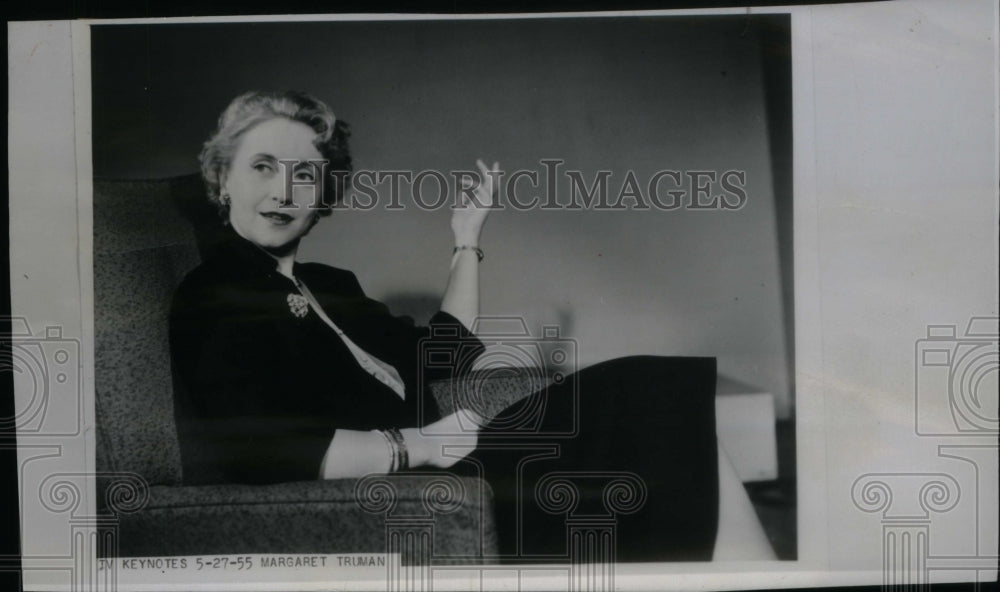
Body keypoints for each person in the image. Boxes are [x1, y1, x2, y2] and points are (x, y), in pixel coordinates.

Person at [169, 90, 719, 562]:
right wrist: (420, 445)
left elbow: (441, 352)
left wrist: (466, 237)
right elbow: (260, 448)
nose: (283, 192)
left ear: (321, 196)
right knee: (645, 401)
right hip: (398, 493)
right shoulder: (213, 294)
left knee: (651, 393)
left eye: (304, 174)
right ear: (223, 180)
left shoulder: (330, 283)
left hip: (455, 463)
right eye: (262, 166)